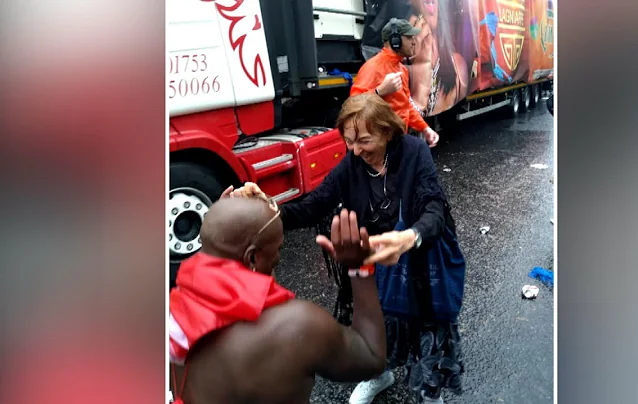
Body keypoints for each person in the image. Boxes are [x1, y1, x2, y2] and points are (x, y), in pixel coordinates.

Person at [225, 93, 465, 404]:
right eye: (349, 141)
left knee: (425, 329)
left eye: (363, 140)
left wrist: (410, 237)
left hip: (416, 261)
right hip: (372, 265)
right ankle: (379, 374)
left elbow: (434, 206)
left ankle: (430, 394)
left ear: (387, 131)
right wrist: (267, 209)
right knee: (373, 325)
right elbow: (313, 206)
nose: (354, 150)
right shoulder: (352, 164)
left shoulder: (414, 152)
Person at [168, 196, 387, 404]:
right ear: (252, 257)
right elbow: (372, 357)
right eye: (278, 249)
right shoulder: (297, 325)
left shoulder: (174, 313)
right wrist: (360, 267)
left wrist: (228, 220)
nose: (279, 258)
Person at [350, 18, 440, 148]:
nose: (414, 42)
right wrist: (379, 91)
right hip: (381, 146)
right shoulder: (373, 67)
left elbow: (406, 105)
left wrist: (425, 128)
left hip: (398, 140)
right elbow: (353, 107)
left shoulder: (401, 69)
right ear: (395, 41)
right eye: (409, 38)